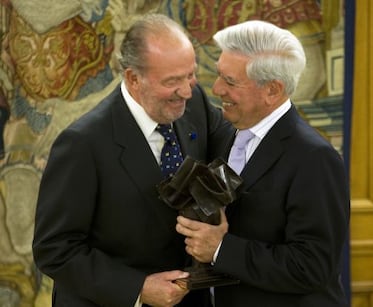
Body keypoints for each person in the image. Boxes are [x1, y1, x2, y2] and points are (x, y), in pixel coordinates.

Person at [32, 13, 232, 307]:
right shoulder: (82, 144)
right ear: (133, 78)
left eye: (190, 75)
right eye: (173, 81)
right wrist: (137, 289)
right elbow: (54, 249)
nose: (187, 90)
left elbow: (236, 152)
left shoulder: (195, 102)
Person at [176, 20, 350, 307]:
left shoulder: (315, 158)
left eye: (230, 82)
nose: (217, 89)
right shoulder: (226, 136)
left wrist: (220, 249)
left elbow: (311, 267)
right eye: (219, 76)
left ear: (272, 90)